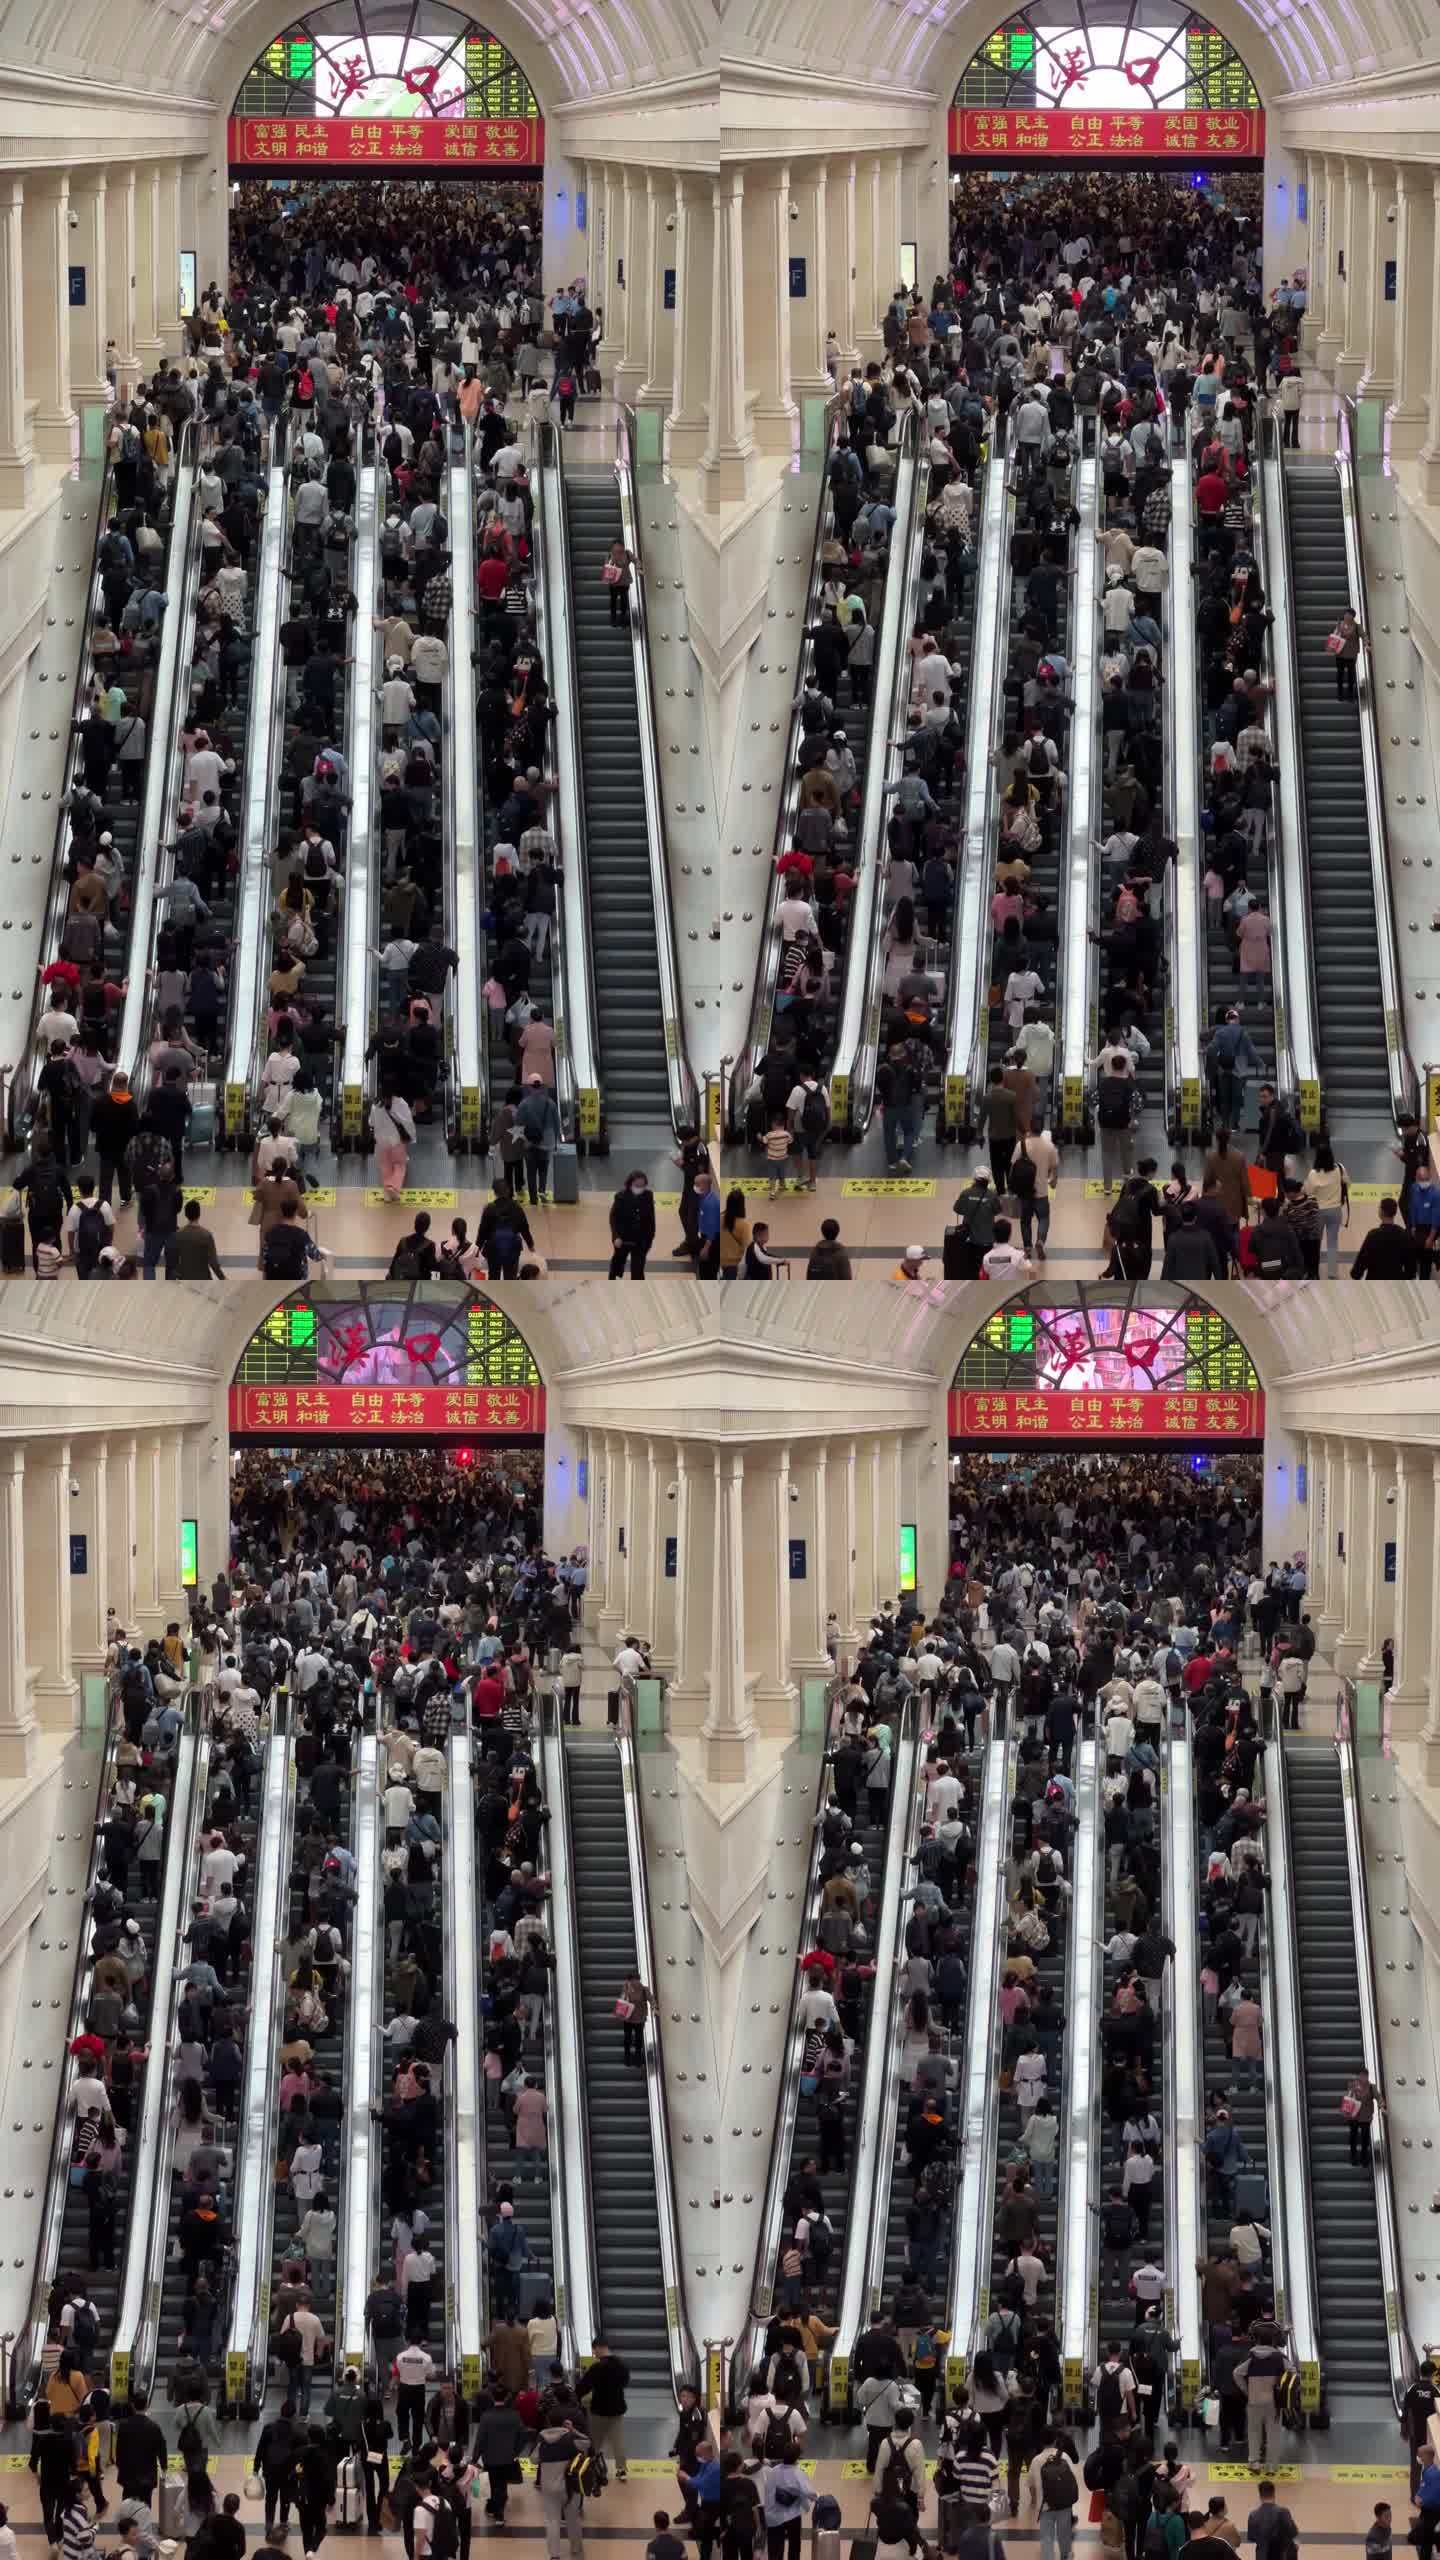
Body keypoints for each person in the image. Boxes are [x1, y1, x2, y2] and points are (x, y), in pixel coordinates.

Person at [576, 2341, 630, 2480]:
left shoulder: (597, 2367)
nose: (594, 2354)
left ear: (600, 2348)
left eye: (594, 2350)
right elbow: (625, 2382)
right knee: (618, 2442)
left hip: (599, 2411)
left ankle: (591, 2468)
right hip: (617, 2410)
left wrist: (575, 2398)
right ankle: (622, 2470)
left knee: (594, 2442)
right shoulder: (622, 2366)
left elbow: (584, 2387)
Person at [1351, 1199, 1419, 1278]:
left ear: (1381, 1212)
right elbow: (1411, 1270)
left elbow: (1359, 1268)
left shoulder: (1373, 1235)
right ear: (1394, 1213)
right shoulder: (1405, 1236)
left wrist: (1356, 1274)